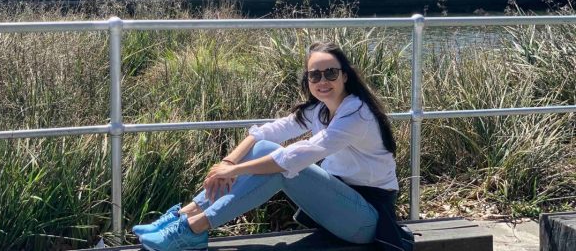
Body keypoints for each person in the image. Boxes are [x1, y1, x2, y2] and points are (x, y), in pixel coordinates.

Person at [132, 41, 413, 251]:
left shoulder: (356, 114)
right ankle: (184, 216)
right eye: (315, 75)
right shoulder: (321, 110)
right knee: (267, 145)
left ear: (345, 76)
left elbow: (296, 157)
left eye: (330, 73)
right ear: (308, 80)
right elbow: (269, 131)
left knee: (284, 164)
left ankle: (194, 229)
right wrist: (230, 163)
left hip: (367, 220)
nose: (322, 81)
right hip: (338, 208)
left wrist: (236, 170)